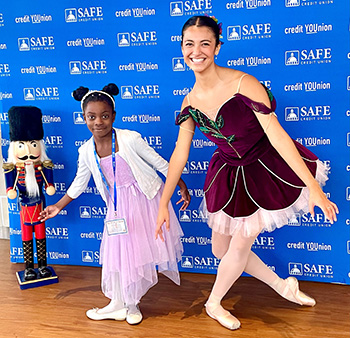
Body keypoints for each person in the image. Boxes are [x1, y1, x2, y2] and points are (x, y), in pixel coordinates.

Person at [156, 16, 338, 331]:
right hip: (226, 173)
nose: (196, 51)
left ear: (217, 47)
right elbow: (179, 155)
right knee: (220, 250)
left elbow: (278, 136)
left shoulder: (244, 84)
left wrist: (313, 187)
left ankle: (213, 303)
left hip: (263, 170)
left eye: (204, 43)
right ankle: (283, 286)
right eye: (189, 44)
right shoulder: (189, 102)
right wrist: (162, 203)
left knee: (239, 246)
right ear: (181, 47)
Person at [39, 83, 190, 325]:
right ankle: (118, 303)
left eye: (104, 116)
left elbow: (160, 163)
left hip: (145, 200)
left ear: (114, 116)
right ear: (83, 118)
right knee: (117, 254)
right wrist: (59, 205)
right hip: (117, 207)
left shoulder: (130, 138)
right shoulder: (86, 150)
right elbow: (79, 183)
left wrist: (180, 185)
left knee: (136, 252)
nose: (98, 122)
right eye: (91, 117)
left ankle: (132, 305)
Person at [3, 106, 56, 281]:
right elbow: (10, 184)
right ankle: (28, 268)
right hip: (24, 206)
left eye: (33, 145)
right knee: (26, 236)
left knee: (41, 235)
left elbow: (49, 182)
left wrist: (50, 187)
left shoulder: (42, 165)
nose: (27, 153)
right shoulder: (13, 168)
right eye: (22, 146)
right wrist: (10, 190)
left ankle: (42, 266)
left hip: (39, 205)